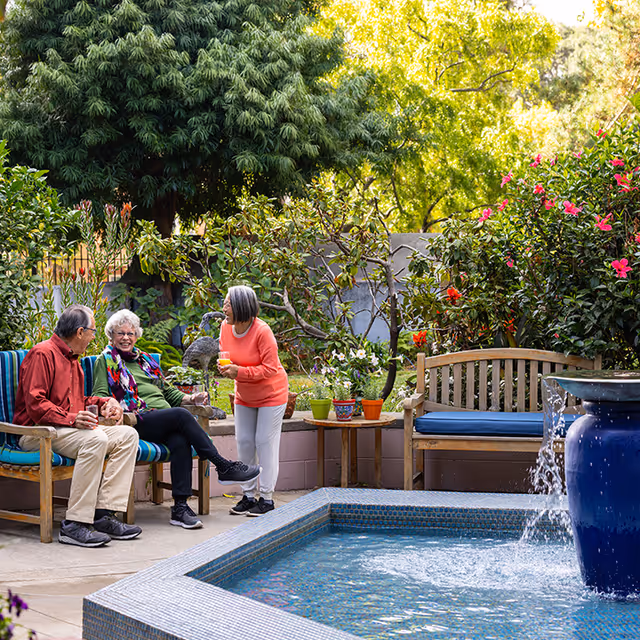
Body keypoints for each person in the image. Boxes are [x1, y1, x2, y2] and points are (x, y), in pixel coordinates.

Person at [92, 309, 261, 530]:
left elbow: (168, 392)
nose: (126, 338)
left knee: (181, 440)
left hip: (163, 419)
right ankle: (223, 465)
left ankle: (180, 508)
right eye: (120, 333)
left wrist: (190, 397)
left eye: (131, 333)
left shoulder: (145, 361)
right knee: (181, 415)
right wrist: (110, 405)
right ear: (111, 335)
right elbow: (100, 394)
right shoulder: (104, 361)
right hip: (134, 419)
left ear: (137, 335)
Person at [14, 304, 142, 548]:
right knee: (96, 439)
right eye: (93, 331)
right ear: (80, 332)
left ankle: (104, 514)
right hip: (36, 432)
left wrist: (104, 402)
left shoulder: (73, 360)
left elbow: (77, 401)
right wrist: (72, 419)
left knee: (127, 435)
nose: (94, 337)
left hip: (65, 429)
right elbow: (36, 404)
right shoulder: (43, 354)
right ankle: (74, 524)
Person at [218, 285, 288, 516]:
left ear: (240, 306)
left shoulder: (262, 331)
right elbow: (225, 355)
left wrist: (240, 372)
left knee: (264, 443)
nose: (224, 308)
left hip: (272, 394)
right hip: (244, 395)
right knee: (245, 442)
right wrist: (227, 370)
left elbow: (270, 369)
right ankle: (248, 496)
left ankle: (266, 499)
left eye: (227, 304)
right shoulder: (225, 328)